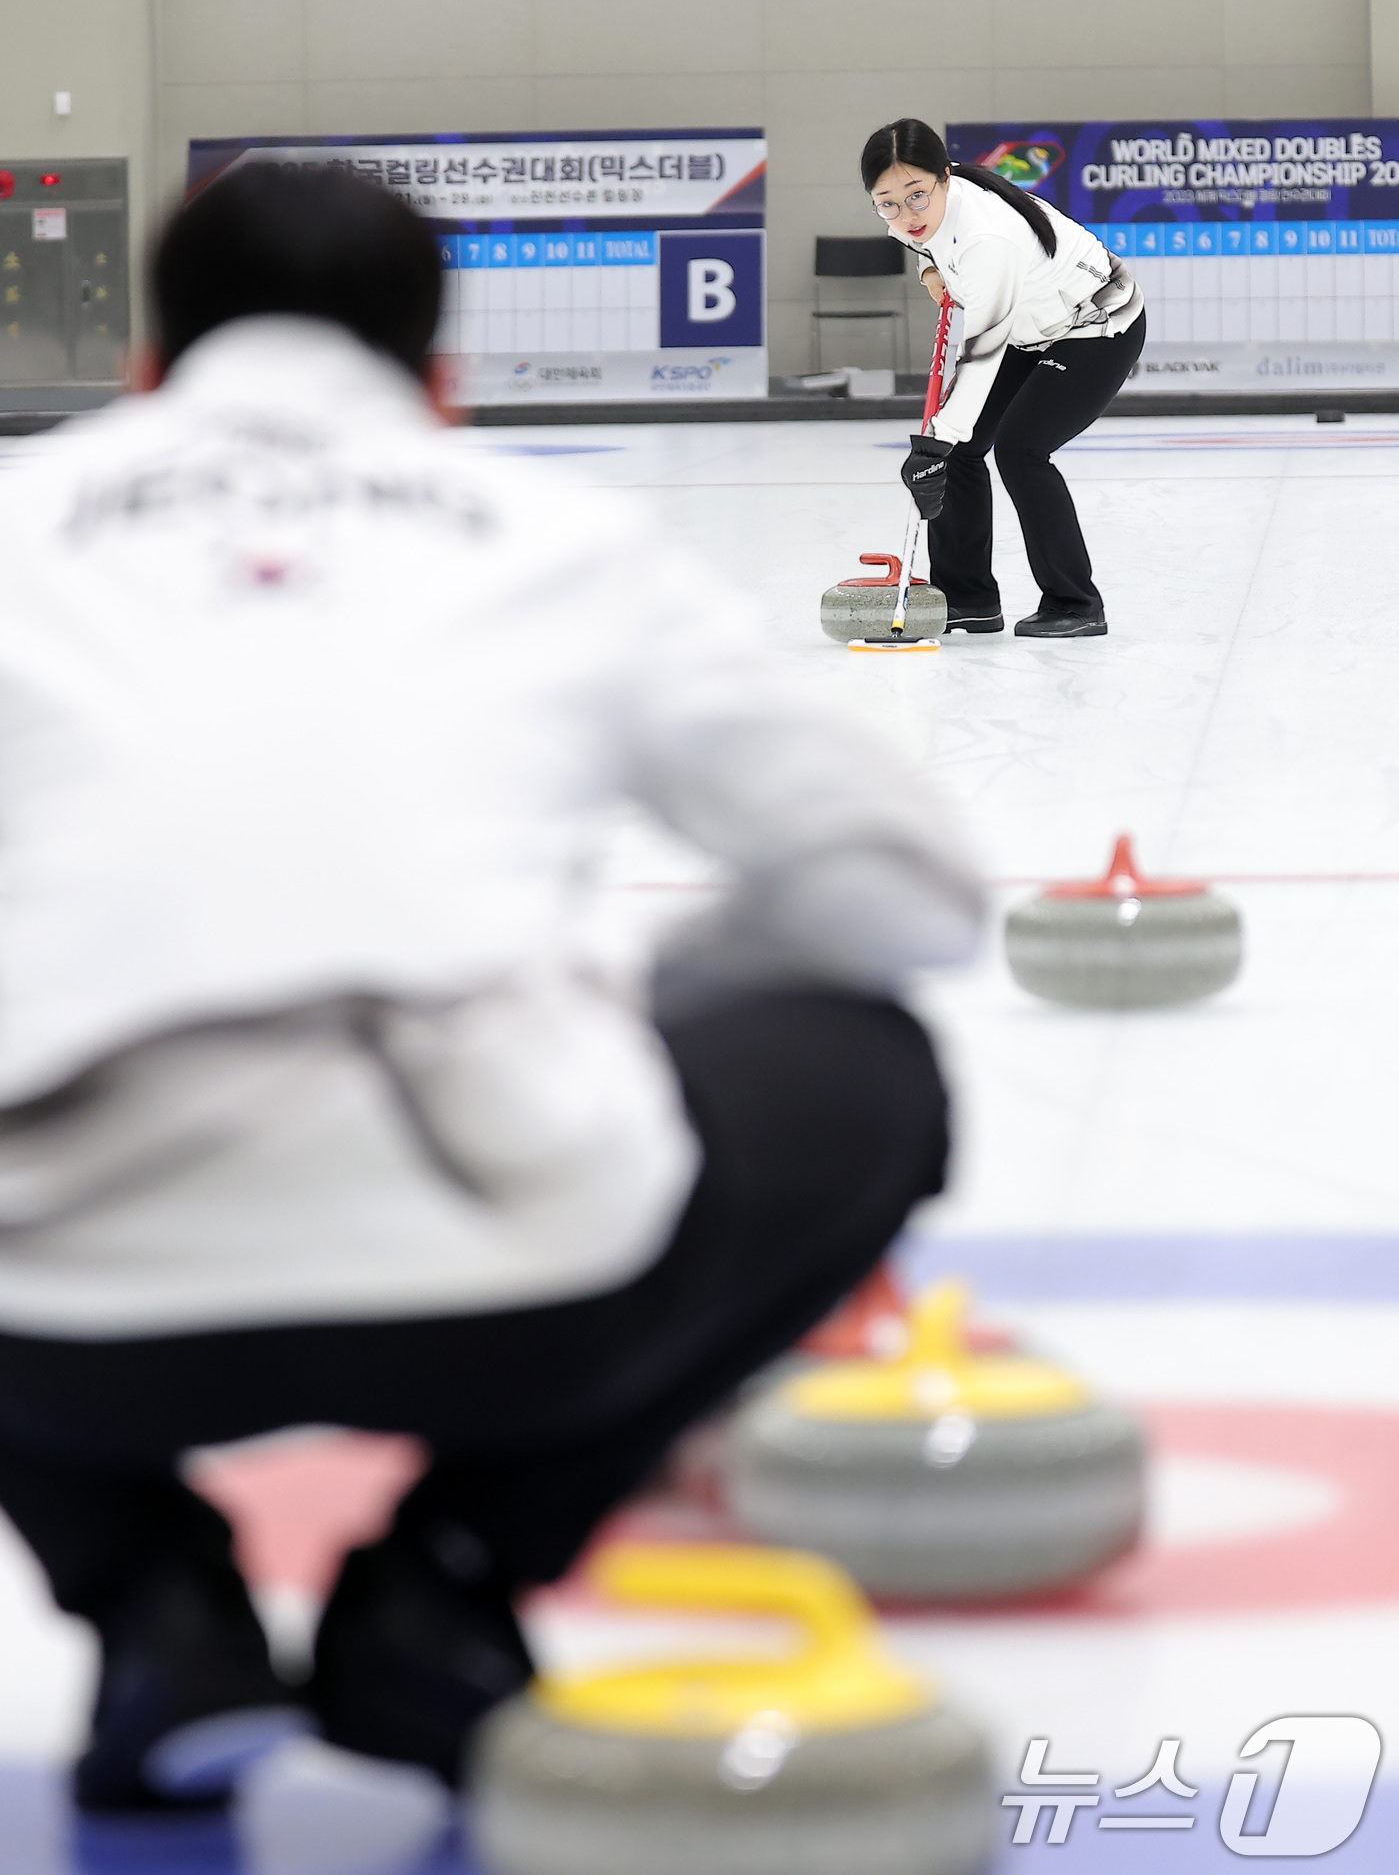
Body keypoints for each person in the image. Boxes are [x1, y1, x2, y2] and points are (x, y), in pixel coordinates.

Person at [0, 165, 984, 1814]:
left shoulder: (20, 519)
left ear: (144, 373)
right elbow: (904, 890)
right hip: (518, 1292)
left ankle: (151, 1599)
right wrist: (643, 987)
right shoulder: (564, 538)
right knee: (866, 1068)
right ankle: (445, 1589)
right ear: (440, 384)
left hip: (58, 1329)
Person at [862, 118, 1146, 638]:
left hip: (1099, 325)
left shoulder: (987, 239)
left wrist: (931, 446)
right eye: (887, 202)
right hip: (1032, 330)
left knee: (1020, 448)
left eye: (917, 195)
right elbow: (914, 237)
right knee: (963, 448)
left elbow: (982, 352)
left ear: (945, 177)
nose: (904, 213)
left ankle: (1076, 604)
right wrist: (931, 271)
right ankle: (968, 599)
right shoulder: (916, 213)